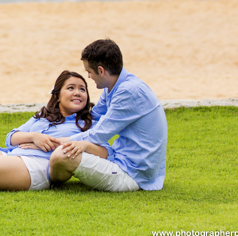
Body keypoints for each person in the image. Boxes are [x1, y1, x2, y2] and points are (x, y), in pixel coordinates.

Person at [49, 38, 167, 192]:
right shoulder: (113, 86)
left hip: (132, 175)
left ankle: (40, 175)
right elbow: (92, 119)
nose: (89, 77)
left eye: (89, 72)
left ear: (101, 71)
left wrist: (54, 141)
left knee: (62, 155)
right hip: (119, 159)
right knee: (64, 149)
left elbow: (99, 134)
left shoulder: (128, 92)